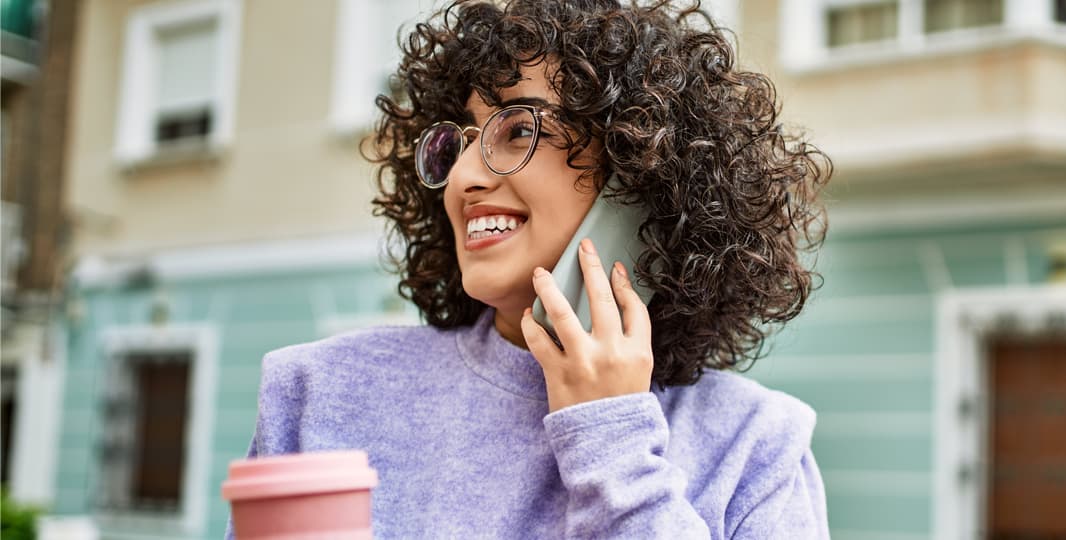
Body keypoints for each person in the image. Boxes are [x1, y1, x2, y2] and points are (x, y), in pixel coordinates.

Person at [229, 0, 831, 537]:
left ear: (638, 172)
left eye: (518, 129)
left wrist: (612, 440)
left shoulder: (755, 445)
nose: (464, 178)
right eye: (459, 143)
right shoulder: (319, 392)